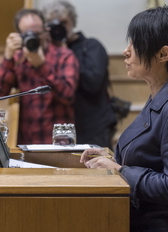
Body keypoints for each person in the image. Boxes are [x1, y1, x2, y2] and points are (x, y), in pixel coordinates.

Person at [80, 5, 168, 232]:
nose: (126, 51)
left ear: (163, 54)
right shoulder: (161, 95)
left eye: (135, 43)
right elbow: (152, 158)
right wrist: (111, 157)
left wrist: (120, 170)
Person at [0, 8, 79, 144]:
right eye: (28, 34)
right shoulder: (18, 58)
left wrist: (42, 65)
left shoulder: (64, 56)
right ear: (19, 35)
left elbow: (68, 95)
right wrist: (7, 57)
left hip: (58, 140)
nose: (33, 38)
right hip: (26, 139)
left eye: (37, 33)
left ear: (46, 31)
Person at [42, 1, 117, 149]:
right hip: (61, 126)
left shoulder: (91, 46)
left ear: (73, 21)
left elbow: (93, 83)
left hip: (94, 125)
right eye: (53, 24)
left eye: (63, 22)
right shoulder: (47, 53)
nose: (59, 28)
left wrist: (67, 55)